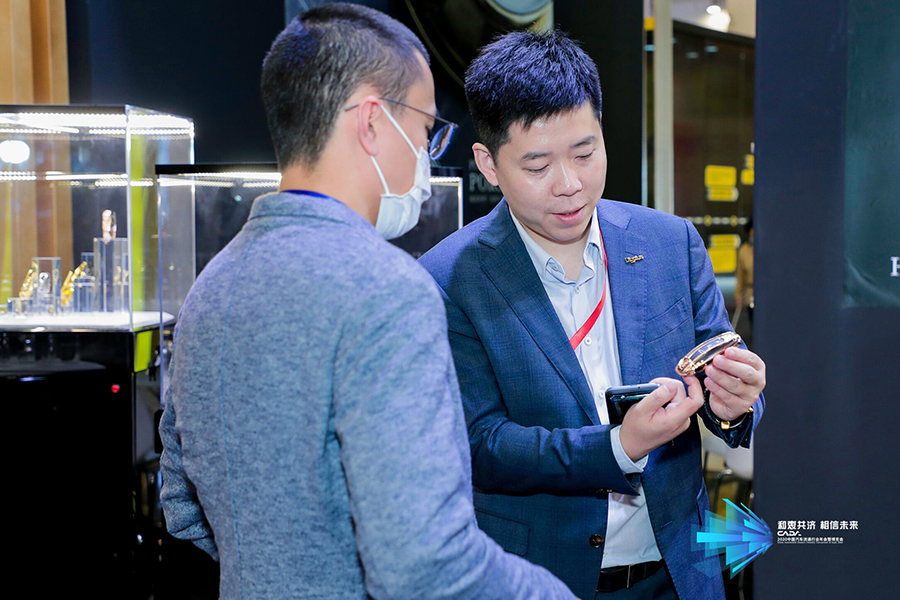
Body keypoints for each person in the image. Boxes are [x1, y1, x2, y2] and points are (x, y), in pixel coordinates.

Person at [158, 6, 576, 599]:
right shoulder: (388, 291)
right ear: (374, 122)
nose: (427, 155)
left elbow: (182, 508)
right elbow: (426, 565)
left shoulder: (210, 288)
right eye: (427, 131)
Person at [419, 30, 766, 600]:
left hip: (679, 574)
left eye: (585, 153)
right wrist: (617, 447)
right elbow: (478, 444)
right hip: (540, 581)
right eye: (537, 166)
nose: (570, 185)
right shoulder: (447, 279)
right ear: (489, 163)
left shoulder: (670, 243)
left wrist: (735, 403)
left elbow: (719, 364)